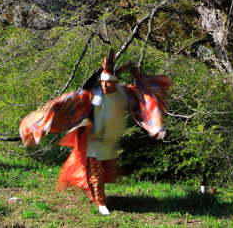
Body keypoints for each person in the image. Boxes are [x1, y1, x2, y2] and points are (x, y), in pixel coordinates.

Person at [19, 52, 171, 215]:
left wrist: (155, 127)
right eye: (103, 83)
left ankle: (96, 196)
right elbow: (66, 102)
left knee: (105, 172)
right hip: (91, 138)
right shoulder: (92, 95)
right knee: (96, 172)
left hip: (108, 140)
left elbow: (142, 103)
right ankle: (101, 203)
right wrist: (42, 124)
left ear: (114, 83)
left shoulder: (123, 93)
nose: (105, 86)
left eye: (108, 83)